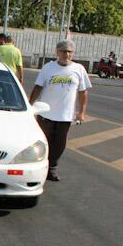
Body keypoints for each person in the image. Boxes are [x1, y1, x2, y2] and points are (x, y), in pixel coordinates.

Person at [29, 39, 91, 182]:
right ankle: (41, 167)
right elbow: (38, 87)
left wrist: (81, 112)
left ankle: (53, 168)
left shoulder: (79, 69)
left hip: (65, 115)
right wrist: (29, 106)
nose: (66, 54)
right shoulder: (48, 68)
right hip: (46, 113)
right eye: (63, 51)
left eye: (69, 52)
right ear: (57, 52)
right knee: (44, 141)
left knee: (60, 142)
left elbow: (83, 92)